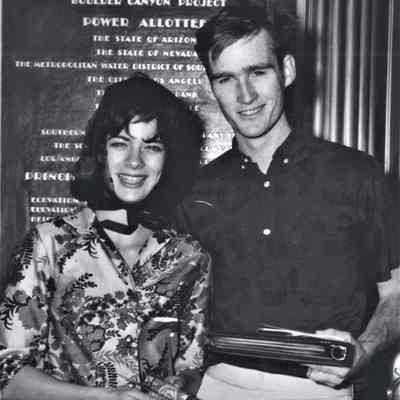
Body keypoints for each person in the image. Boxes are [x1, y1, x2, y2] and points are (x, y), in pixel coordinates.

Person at [174, 5, 400, 400]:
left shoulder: (356, 174)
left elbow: (395, 293)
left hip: (323, 387)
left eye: (258, 72)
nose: (245, 95)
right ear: (211, 88)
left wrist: (364, 350)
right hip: (217, 386)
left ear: (288, 70)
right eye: (226, 78)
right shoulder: (194, 191)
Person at [0, 73, 210, 400]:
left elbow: (190, 369)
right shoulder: (48, 245)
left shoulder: (189, 257)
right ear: (101, 152)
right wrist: (105, 398)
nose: (134, 162)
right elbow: (8, 378)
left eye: (152, 147)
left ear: (168, 160)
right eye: (120, 144)